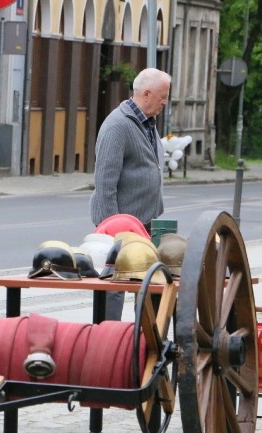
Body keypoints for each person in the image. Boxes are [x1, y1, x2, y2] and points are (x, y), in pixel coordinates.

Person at [90, 67, 172, 319]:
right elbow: (105, 186)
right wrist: (113, 236)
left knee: (150, 284)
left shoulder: (148, 123)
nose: (165, 102)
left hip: (148, 224)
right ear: (146, 93)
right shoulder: (117, 126)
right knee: (114, 286)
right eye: (162, 96)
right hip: (120, 228)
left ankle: (145, 342)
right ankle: (109, 340)